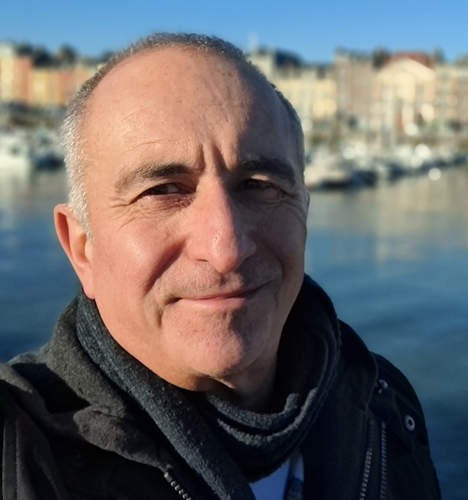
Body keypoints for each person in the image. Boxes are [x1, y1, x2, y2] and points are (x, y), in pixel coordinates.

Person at [0, 33, 440, 500]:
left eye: (258, 184)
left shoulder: (385, 406)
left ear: (304, 212)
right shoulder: (18, 449)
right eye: (162, 191)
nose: (226, 248)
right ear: (82, 248)